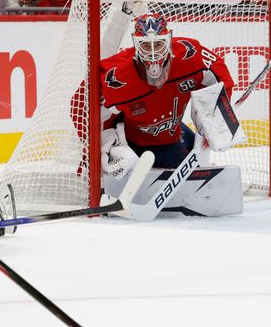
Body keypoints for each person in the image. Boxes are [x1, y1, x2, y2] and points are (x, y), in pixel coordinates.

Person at [97, 10, 240, 193]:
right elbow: (80, 108)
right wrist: (105, 145)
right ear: (135, 44)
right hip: (134, 140)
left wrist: (217, 114)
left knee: (196, 153)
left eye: (158, 44)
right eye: (146, 46)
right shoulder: (116, 75)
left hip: (172, 131)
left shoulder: (190, 54)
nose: (154, 53)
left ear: (168, 39)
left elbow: (221, 80)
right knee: (137, 163)